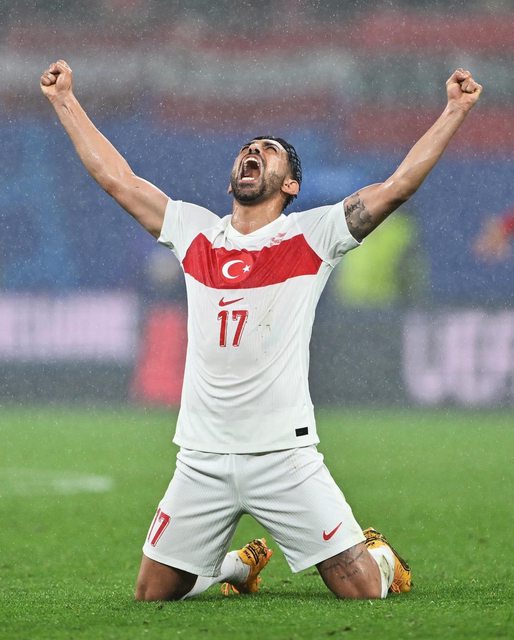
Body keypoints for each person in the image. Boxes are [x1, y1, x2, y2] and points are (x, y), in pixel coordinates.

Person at [40, 60, 482, 602]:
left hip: (282, 456)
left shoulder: (312, 235)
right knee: (153, 594)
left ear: (290, 183)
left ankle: (381, 557)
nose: (253, 152)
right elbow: (118, 179)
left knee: (364, 591)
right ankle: (236, 567)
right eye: (248, 148)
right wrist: (65, 100)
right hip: (202, 457)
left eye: (269, 150)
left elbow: (398, 186)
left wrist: (455, 110)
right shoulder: (196, 232)